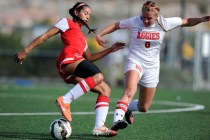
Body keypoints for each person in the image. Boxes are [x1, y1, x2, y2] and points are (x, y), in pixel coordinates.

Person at [13, 2, 125, 137]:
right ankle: (65, 100)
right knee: (98, 76)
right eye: (85, 12)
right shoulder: (66, 22)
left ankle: (99, 127)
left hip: (74, 65)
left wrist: (110, 50)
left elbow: (89, 58)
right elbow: (45, 36)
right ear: (76, 13)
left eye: (89, 14)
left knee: (105, 89)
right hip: (68, 60)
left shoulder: (83, 38)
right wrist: (25, 50)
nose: (88, 16)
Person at [96, 0, 210, 132]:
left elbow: (187, 21)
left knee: (144, 107)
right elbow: (116, 25)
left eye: (149, 18)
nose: (145, 21)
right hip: (135, 61)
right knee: (129, 92)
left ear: (157, 16)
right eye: (143, 17)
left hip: (152, 67)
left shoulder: (164, 23)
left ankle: (128, 108)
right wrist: (99, 35)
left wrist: (201, 19)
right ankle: (117, 121)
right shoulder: (134, 21)